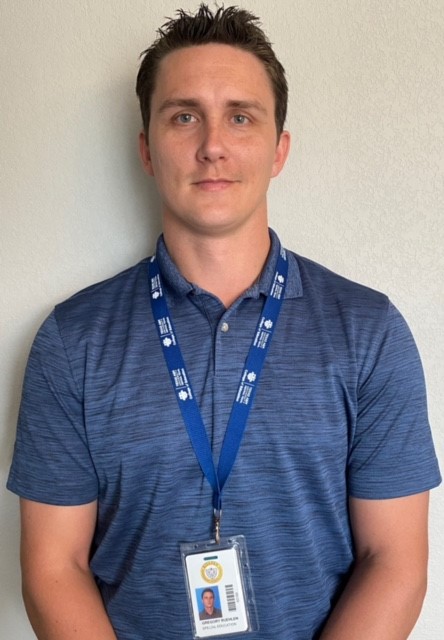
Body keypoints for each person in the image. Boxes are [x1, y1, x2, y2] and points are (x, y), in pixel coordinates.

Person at [7, 4, 441, 640]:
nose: (212, 145)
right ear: (147, 150)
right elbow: (53, 566)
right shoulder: (72, 341)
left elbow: (395, 562)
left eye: (241, 117)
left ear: (278, 149)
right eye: (184, 116)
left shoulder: (369, 332)